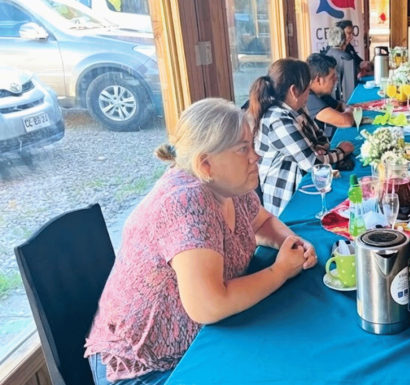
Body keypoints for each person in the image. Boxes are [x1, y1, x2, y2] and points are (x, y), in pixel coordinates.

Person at [84, 98, 318, 385]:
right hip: (145, 367)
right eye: (243, 149)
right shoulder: (187, 201)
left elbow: (262, 222)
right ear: (205, 164)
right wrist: (279, 270)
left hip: (198, 340)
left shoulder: (231, 186)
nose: (255, 156)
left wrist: (291, 242)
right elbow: (208, 305)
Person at [250, 58, 354, 215]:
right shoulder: (278, 120)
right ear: (294, 91)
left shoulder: (296, 108)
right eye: (307, 89)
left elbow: (321, 138)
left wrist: (316, 149)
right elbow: (314, 164)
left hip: (304, 184)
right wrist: (341, 151)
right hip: (286, 201)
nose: (309, 94)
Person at [306, 53, 354, 138]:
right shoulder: (309, 98)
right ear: (318, 80)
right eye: (332, 77)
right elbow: (347, 121)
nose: (336, 80)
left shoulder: (321, 93)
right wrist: (350, 109)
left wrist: (345, 109)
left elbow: (338, 105)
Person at [324, 26, 357, 104]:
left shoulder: (327, 54)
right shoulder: (345, 58)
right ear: (343, 40)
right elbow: (349, 87)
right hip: (343, 103)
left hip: (329, 101)